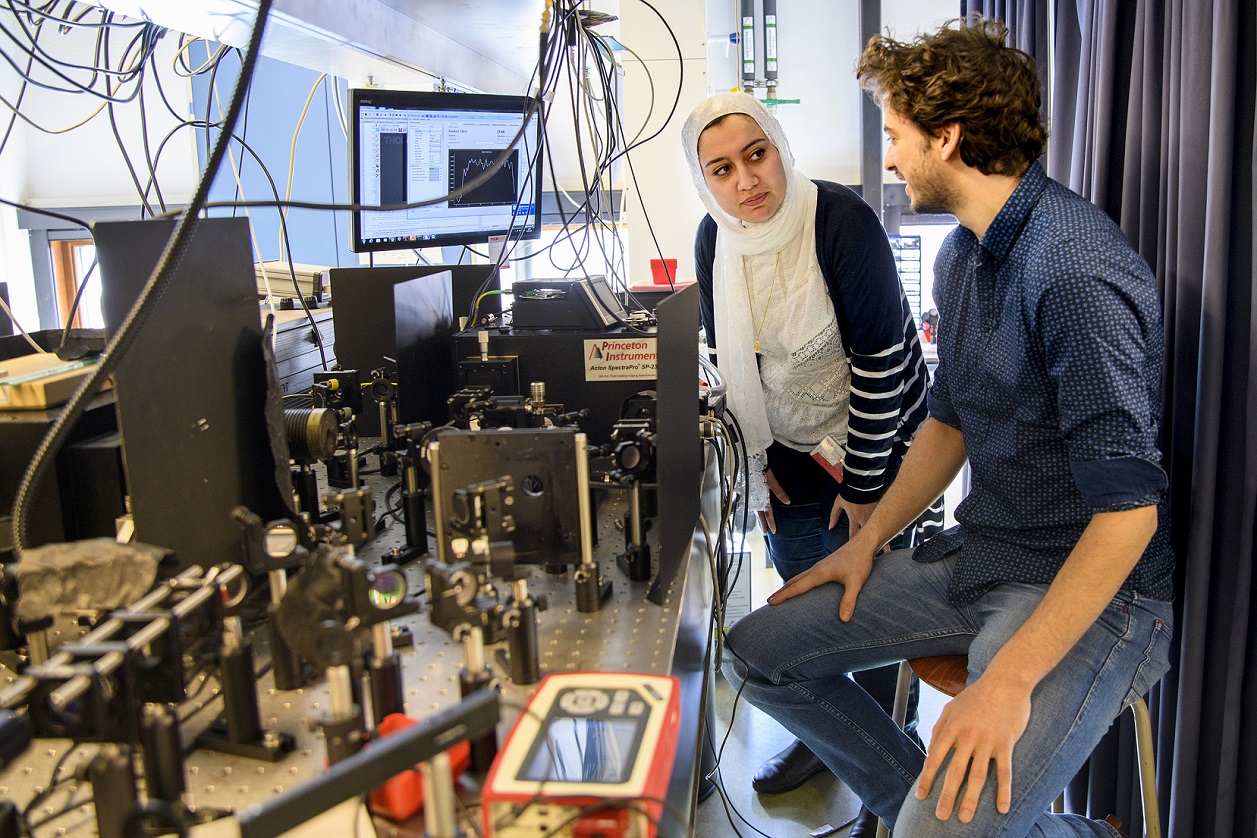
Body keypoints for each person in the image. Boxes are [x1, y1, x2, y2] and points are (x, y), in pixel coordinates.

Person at [722, 17, 1175, 837]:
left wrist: (1008, 681)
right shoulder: (962, 255)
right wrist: (867, 542)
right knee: (755, 655)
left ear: (947, 138)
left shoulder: (1072, 269)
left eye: (895, 136)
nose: (891, 158)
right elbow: (947, 420)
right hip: (986, 554)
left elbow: (1128, 515)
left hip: (1095, 592)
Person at [682, 92, 943, 833]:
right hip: (788, 452)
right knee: (807, 608)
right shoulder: (713, 237)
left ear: (780, 148)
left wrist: (866, 488)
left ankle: (891, 779)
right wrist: (752, 456)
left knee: (876, 616)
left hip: (881, 441)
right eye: (721, 169)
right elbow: (723, 352)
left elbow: (881, 360)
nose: (745, 180)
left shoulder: (840, 221)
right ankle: (833, 741)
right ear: (704, 181)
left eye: (756, 154)